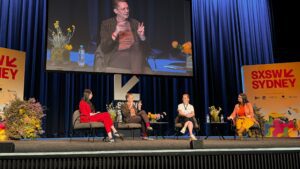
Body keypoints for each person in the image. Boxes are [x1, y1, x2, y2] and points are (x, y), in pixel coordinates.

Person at [94, 0, 149, 74]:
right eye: (123, 9)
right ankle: (136, 76)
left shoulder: (135, 24)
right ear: (116, 11)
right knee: (136, 50)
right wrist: (116, 32)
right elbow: (104, 48)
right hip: (116, 56)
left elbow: (147, 50)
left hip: (134, 55)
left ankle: (136, 75)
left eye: (127, 8)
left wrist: (142, 36)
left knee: (136, 48)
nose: (127, 11)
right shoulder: (106, 24)